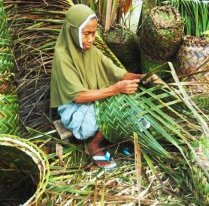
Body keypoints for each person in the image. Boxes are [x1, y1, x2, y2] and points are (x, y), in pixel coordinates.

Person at [50, 4, 147, 169]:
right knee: (116, 106)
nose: (91, 39)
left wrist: (143, 78)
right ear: (73, 31)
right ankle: (94, 145)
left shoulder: (91, 51)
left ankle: (117, 139)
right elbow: (78, 97)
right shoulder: (62, 56)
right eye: (86, 34)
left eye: (94, 34)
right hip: (73, 108)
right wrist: (116, 89)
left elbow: (119, 73)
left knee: (129, 105)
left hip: (93, 99)